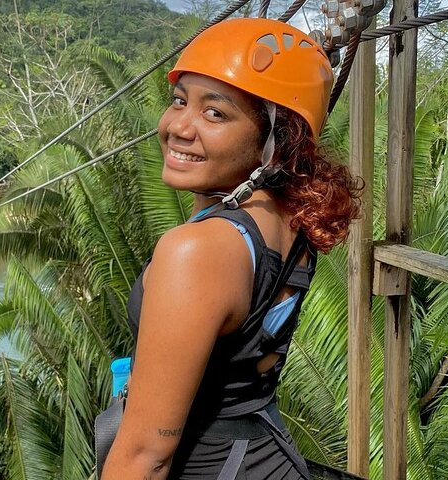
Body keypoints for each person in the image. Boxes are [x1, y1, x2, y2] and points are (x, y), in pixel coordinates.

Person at [100, 17, 361, 480]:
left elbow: (146, 456)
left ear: (275, 141)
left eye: (215, 113)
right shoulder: (289, 218)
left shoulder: (197, 250)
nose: (179, 127)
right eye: (180, 102)